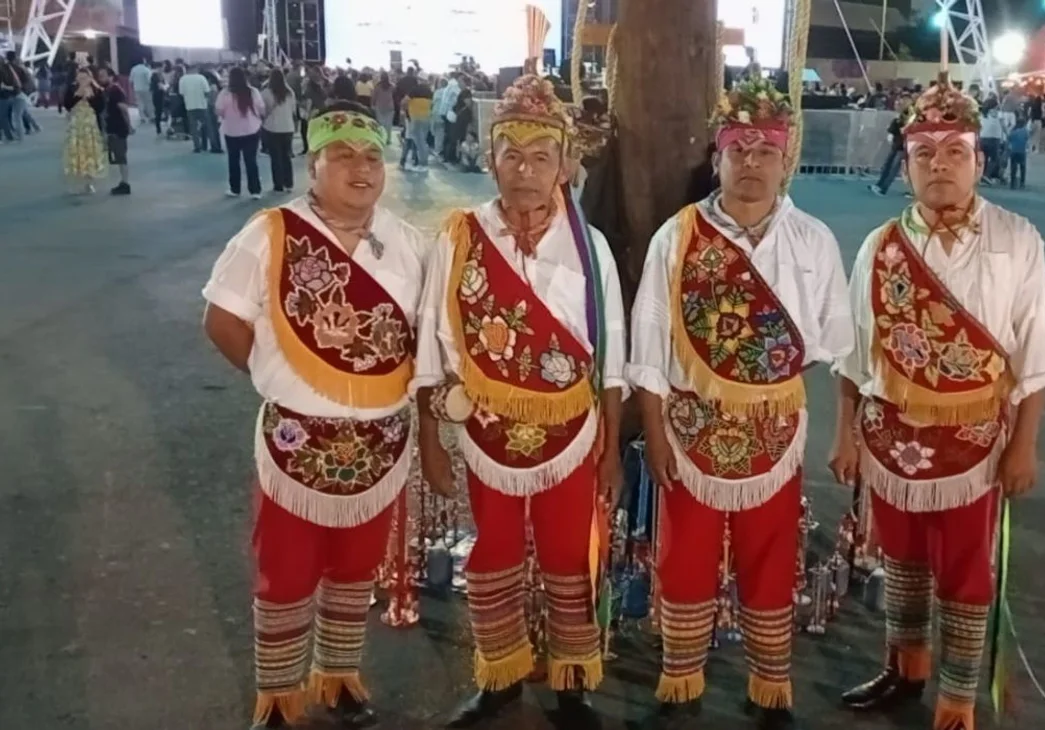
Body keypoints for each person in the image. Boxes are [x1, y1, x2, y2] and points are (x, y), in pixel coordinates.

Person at [832, 78, 1045, 730]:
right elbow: (853, 353)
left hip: (972, 442)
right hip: (889, 437)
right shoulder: (880, 246)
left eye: (954, 151)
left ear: (979, 161)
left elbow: (1037, 353)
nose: (939, 165)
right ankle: (905, 668)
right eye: (924, 153)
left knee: (964, 570)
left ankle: (958, 697)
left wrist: (1024, 445)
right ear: (905, 166)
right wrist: (845, 434)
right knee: (899, 560)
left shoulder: (1017, 239)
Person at [628, 75, 853, 730]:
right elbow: (648, 343)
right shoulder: (679, 237)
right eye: (738, 150)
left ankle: (769, 683)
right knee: (685, 554)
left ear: (787, 159)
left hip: (772, 428)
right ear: (717, 156)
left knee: (771, 553)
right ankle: (681, 678)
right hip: (690, 424)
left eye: (765, 151)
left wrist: (848, 432)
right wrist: (655, 432)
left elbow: (840, 349)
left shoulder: (813, 241)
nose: (751, 164)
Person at [412, 75, 627, 730]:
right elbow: (431, 342)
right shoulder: (459, 237)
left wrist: (612, 449)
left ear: (565, 163)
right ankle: (500, 675)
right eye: (513, 155)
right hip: (486, 436)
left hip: (572, 436)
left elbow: (611, 359)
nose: (526, 171)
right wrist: (428, 437)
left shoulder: (591, 249)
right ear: (490, 158)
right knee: (495, 553)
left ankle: (571, 681)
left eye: (541, 157)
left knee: (567, 554)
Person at [202, 100, 423, 730]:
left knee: (356, 566)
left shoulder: (407, 243)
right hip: (298, 442)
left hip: (382, 442)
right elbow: (221, 320)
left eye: (373, 156)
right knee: (287, 569)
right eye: (343, 155)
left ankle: (340, 676)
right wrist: (285, 378)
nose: (362, 168)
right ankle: (278, 695)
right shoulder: (270, 233)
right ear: (313, 164)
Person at [215, 67, 267, 198]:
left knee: (233, 161)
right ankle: (255, 191)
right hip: (251, 130)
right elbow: (261, 109)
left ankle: (235, 189)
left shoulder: (225, 94)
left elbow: (218, 111)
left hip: (231, 131)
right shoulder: (253, 92)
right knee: (251, 161)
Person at [62, 67, 107, 193]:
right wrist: (77, 95)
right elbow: (67, 105)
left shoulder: (97, 90)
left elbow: (100, 108)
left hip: (91, 127)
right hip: (75, 126)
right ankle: (74, 181)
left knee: (90, 154)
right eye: (80, 77)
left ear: (90, 78)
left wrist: (91, 98)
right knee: (74, 153)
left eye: (85, 77)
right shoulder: (72, 89)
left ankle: (89, 181)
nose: (82, 80)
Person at [97, 67, 134, 196]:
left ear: (111, 76)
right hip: (112, 127)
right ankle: (123, 182)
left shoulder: (115, 91)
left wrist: (129, 125)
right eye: (99, 76)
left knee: (121, 156)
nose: (100, 78)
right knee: (118, 157)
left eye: (103, 76)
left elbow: (123, 108)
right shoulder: (107, 91)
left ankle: (125, 183)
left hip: (118, 127)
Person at [262, 68, 298, 193]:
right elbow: (293, 110)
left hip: (272, 128)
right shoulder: (290, 92)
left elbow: (263, 110)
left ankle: (278, 185)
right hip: (288, 127)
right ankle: (289, 184)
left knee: (275, 158)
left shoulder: (266, 93)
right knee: (286, 156)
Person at [872, 93, 912, 196]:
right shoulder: (900, 115)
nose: (901, 103)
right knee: (888, 165)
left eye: (904, 101)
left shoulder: (912, 116)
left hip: (904, 146)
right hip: (897, 143)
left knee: (894, 168)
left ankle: (883, 188)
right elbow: (895, 127)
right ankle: (879, 184)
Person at [402, 76, 434, 170]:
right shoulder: (429, 92)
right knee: (422, 141)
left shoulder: (414, 90)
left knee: (419, 142)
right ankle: (422, 162)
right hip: (426, 118)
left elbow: (404, 101)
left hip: (416, 117)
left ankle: (423, 164)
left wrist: (405, 110)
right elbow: (432, 104)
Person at [178, 64, 213, 152]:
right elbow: (207, 92)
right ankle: (212, 146)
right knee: (208, 127)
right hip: (202, 105)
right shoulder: (201, 78)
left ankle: (197, 147)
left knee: (194, 129)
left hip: (190, 106)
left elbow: (181, 93)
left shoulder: (183, 79)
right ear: (196, 69)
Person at [978, 104, 1004, 184]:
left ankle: (981, 175)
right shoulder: (998, 115)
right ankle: (987, 175)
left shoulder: (982, 116)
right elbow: (1003, 126)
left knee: (984, 158)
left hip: (982, 138)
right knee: (994, 158)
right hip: (994, 138)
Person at [1006, 116, 1029, 190]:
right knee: (1023, 167)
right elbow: (1027, 139)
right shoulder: (1025, 131)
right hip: (1022, 151)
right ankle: (1022, 182)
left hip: (1014, 151)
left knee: (1013, 167)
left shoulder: (1013, 132)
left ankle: (1013, 183)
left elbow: (1009, 139)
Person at [130, 56, 153, 122]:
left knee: (140, 103)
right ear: (143, 61)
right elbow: (149, 80)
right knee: (148, 103)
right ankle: (151, 116)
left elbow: (131, 80)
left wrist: (133, 88)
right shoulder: (146, 69)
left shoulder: (133, 69)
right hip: (146, 89)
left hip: (137, 89)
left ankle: (142, 117)